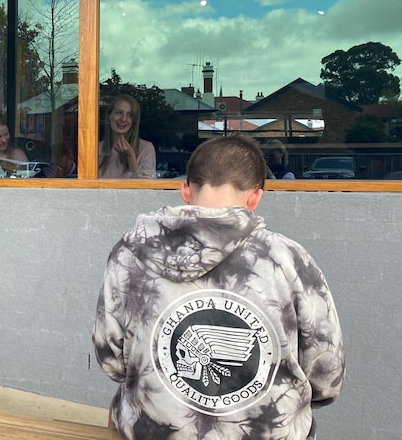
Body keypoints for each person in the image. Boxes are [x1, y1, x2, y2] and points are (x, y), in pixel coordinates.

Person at [93, 134, 344, 439]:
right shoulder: (288, 260)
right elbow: (326, 377)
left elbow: (112, 362)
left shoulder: (129, 253)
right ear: (255, 197)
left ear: (186, 190)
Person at [98, 94, 156, 178]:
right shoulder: (96, 149)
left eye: (130, 115)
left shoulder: (146, 149)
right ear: (109, 116)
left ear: (134, 120)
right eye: (119, 112)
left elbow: (146, 189)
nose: (124, 119)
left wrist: (131, 157)